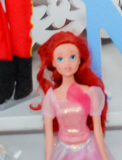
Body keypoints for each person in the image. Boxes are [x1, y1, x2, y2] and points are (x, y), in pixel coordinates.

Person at [34, 31, 112, 159]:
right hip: (64, 151)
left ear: (79, 60)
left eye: (72, 57)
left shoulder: (90, 92)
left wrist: (104, 156)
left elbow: (97, 128)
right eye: (60, 59)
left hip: (88, 149)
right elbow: (49, 134)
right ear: (53, 63)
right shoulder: (51, 97)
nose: (67, 63)